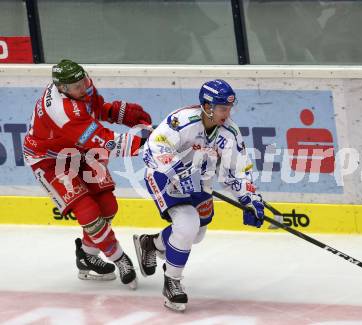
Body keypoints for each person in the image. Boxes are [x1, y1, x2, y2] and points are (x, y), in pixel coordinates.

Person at [133, 79, 265, 311]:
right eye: (222, 108)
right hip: (164, 176)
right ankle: (172, 283)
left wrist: (250, 199)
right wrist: (175, 171)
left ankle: (151, 243)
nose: (227, 113)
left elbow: (237, 170)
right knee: (186, 225)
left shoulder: (230, 133)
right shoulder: (182, 121)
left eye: (229, 108)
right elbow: (154, 147)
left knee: (196, 235)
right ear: (207, 105)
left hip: (199, 181)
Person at [22, 59, 152, 289]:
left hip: (77, 148)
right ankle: (119, 258)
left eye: (83, 81)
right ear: (62, 88)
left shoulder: (80, 86)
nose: (83, 87)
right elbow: (104, 140)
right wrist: (146, 145)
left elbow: (95, 108)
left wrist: (118, 113)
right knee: (88, 210)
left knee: (108, 206)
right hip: (49, 160)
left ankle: (86, 255)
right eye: (76, 86)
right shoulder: (61, 111)